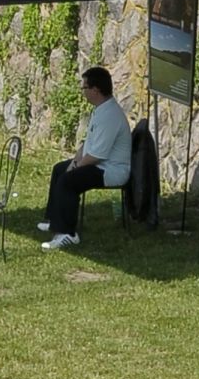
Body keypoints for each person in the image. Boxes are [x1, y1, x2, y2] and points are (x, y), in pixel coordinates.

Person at [40, 64, 133, 247]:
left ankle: (67, 233)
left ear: (95, 90)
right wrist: (74, 162)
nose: (83, 92)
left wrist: (75, 168)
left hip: (110, 170)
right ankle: (54, 219)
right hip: (99, 164)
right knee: (59, 169)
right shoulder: (101, 109)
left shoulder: (109, 116)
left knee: (68, 181)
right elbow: (87, 144)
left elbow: (97, 155)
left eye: (84, 88)